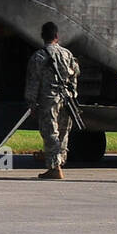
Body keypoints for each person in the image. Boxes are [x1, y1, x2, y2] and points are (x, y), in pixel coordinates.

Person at [25, 22, 80, 180]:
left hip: (49, 100)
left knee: (50, 133)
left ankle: (54, 167)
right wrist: (73, 93)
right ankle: (59, 163)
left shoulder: (39, 56)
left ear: (42, 36)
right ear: (57, 36)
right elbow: (75, 74)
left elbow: (33, 81)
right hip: (67, 99)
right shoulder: (67, 54)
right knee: (63, 132)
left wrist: (31, 102)